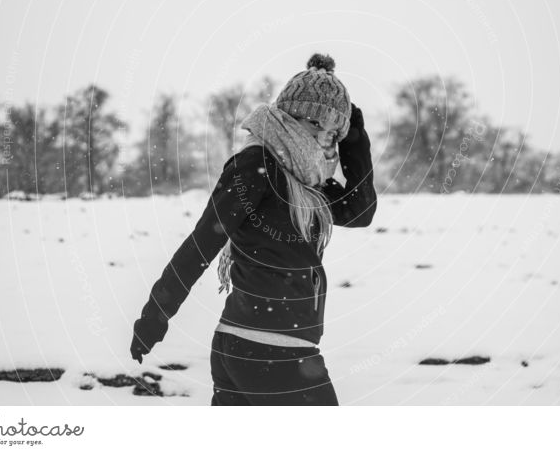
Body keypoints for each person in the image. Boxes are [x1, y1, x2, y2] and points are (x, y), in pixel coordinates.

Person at [130, 53, 377, 405]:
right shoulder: (257, 164)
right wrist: (155, 315)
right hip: (269, 352)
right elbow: (202, 241)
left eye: (334, 133)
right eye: (316, 124)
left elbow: (360, 210)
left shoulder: (304, 180)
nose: (325, 139)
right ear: (289, 116)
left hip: (261, 349)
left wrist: (355, 138)